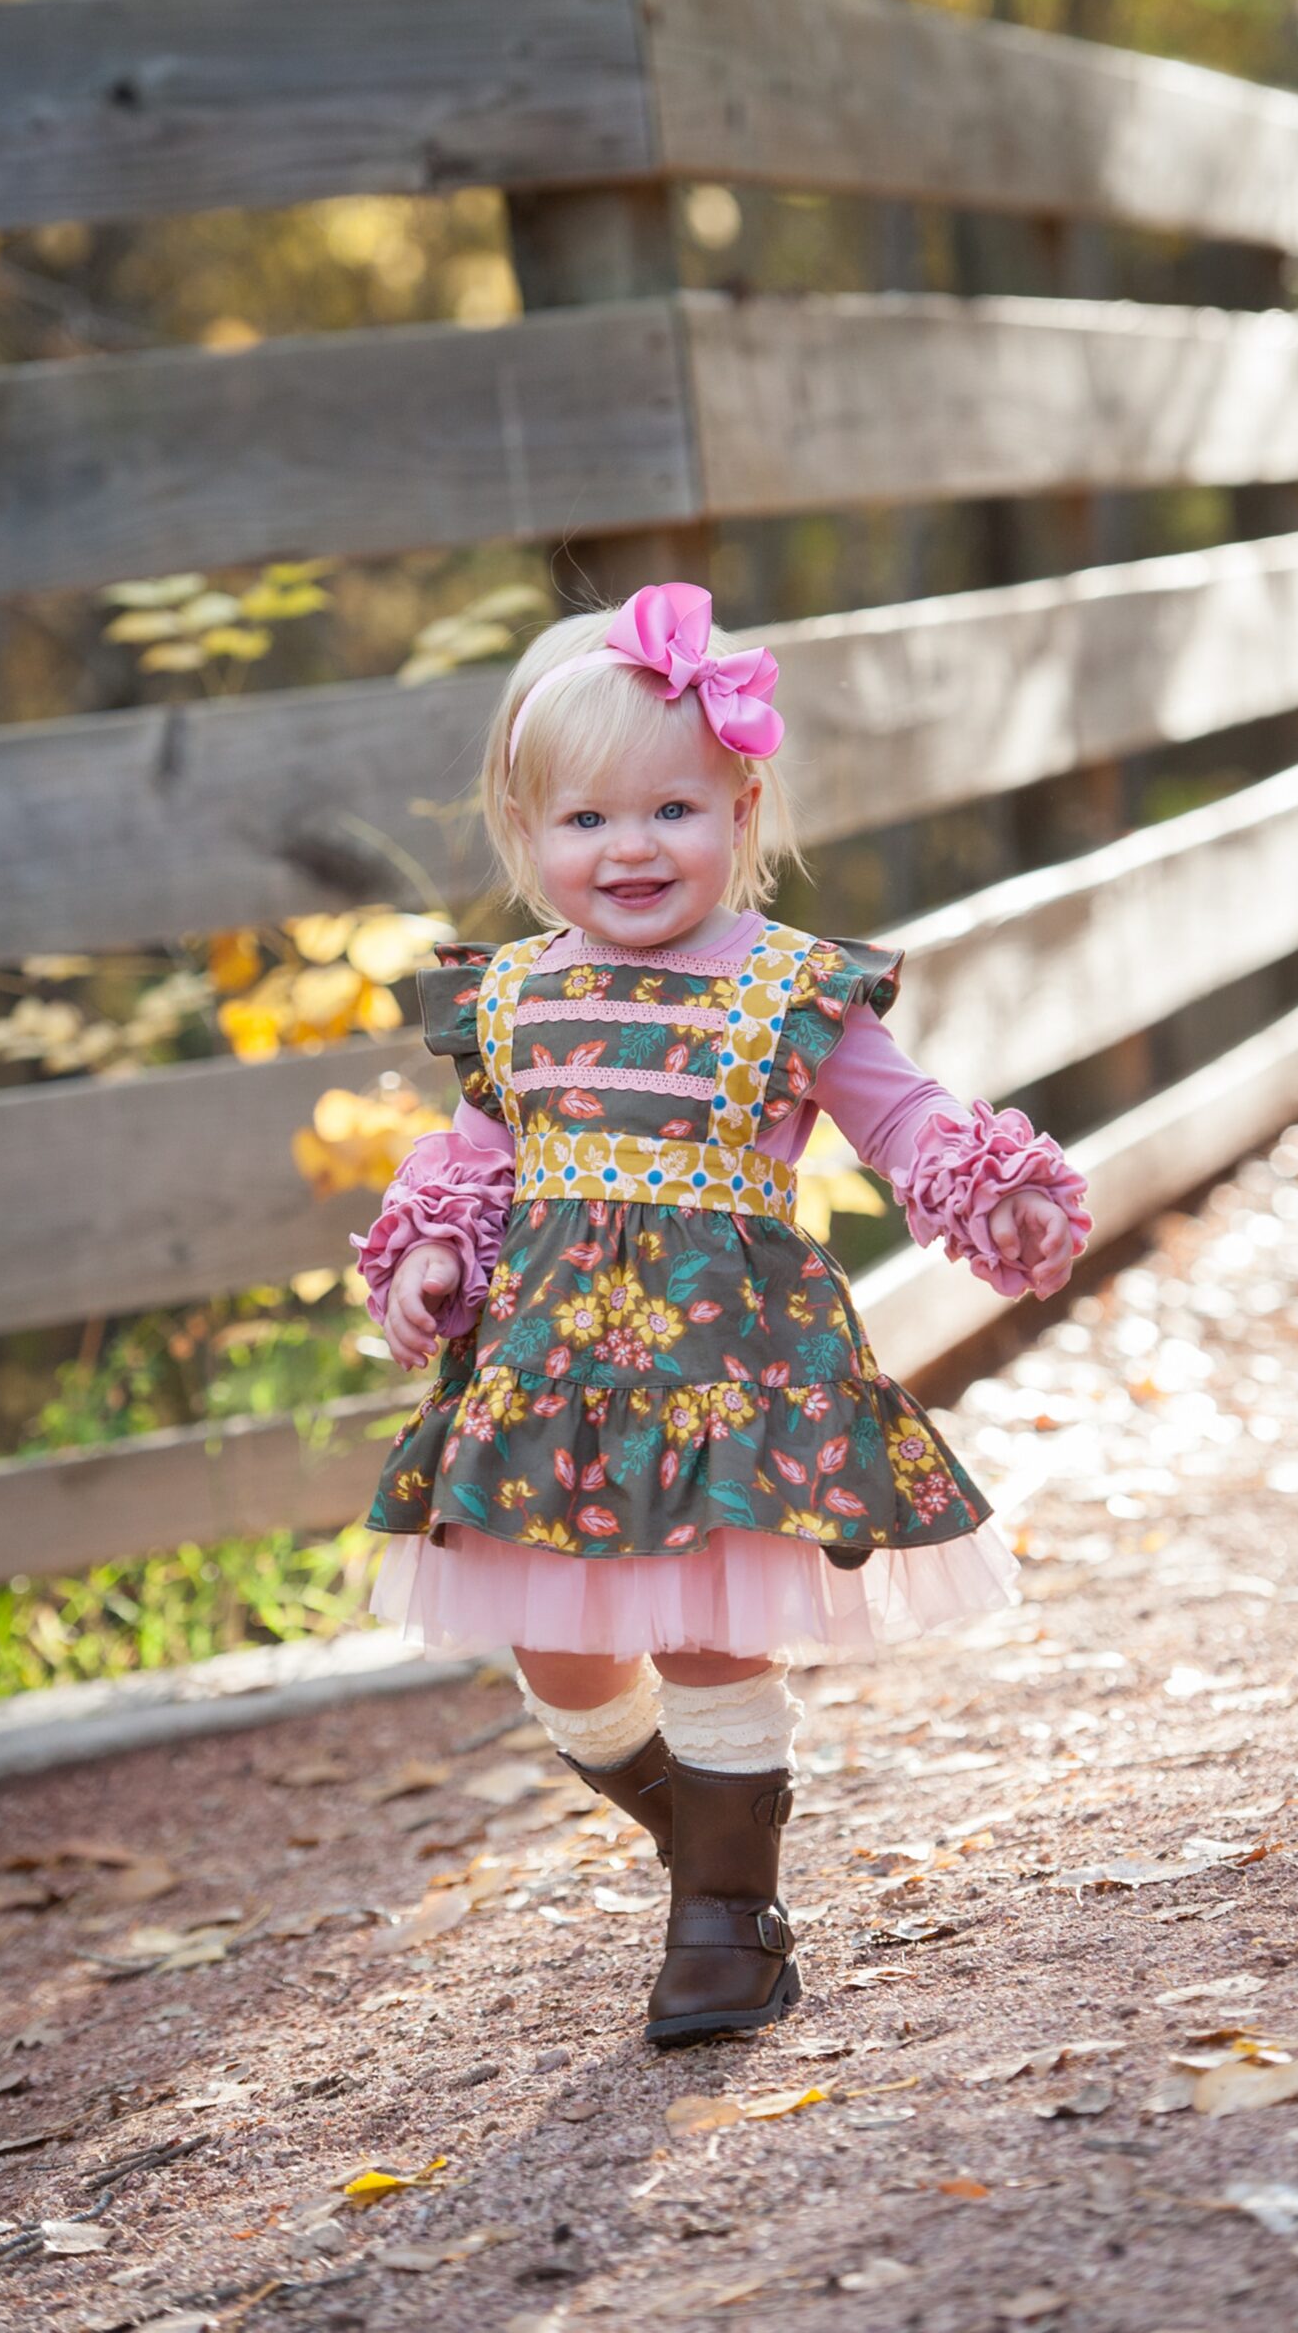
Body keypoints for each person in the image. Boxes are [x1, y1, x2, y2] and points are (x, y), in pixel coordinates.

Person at [352, 581, 1091, 2047]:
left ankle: (725, 1929)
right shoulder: (507, 1002)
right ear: (526, 829)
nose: (632, 849)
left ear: (740, 807)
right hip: (551, 1376)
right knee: (563, 1660)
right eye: (586, 822)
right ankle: (700, 1833)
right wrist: (436, 1254)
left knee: (703, 1636)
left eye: (673, 811)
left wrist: (988, 1189)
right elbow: (480, 1161)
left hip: (726, 1373)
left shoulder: (789, 990)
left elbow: (906, 1122)